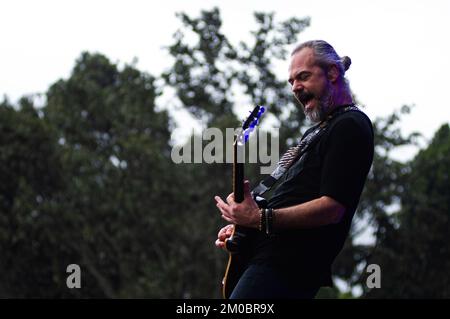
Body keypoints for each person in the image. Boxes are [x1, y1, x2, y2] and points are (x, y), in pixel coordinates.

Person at [214, 40, 374, 299]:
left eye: (303, 77)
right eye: (291, 81)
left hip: (288, 265)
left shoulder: (350, 125)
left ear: (333, 73)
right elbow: (293, 196)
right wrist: (245, 227)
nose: (295, 87)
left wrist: (258, 219)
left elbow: (332, 209)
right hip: (269, 258)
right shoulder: (318, 131)